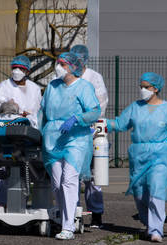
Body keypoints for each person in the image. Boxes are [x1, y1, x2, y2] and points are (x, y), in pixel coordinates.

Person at [106, 72, 167, 243]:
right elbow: (119, 123)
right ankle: (148, 223)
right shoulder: (135, 107)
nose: (142, 90)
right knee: (140, 193)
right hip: (138, 156)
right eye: (141, 86)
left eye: (146, 87)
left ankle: (156, 229)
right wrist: (100, 124)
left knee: (156, 189)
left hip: (161, 155)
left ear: (156, 88)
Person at [40, 52, 101, 240]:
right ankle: (61, 218)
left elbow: (94, 111)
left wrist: (77, 118)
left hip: (76, 139)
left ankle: (68, 226)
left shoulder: (84, 87)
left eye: (62, 64)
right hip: (53, 139)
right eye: (57, 63)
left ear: (73, 67)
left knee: (69, 180)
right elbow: (42, 111)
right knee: (57, 183)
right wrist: (39, 132)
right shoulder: (52, 86)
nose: (58, 67)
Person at [0, 55, 42, 207]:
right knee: (3, 166)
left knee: (24, 167)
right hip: (7, 131)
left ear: (27, 70)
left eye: (21, 68)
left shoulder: (34, 88)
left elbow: (38, 111)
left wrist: (27, 114)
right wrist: (12, 109)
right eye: (14, 68)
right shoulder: (5, 86)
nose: (17, 71)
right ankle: (1, 203)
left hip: (27, 132)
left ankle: (21, 202)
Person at [70, 44, 108, 228]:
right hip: (73, 131)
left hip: (92, 129)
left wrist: (88, 120)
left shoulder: (95, 77)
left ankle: (96, 213)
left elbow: (101, 103)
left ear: (85, 60)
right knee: (71, 174)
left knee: (94, 175)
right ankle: (73, 213)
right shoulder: (65, 76)